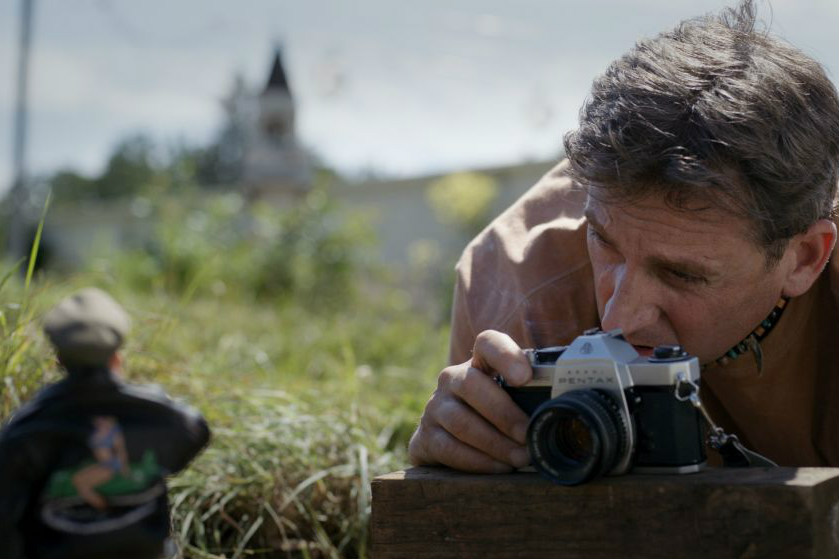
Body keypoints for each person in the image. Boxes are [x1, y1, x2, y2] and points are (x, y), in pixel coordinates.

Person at [409, 0, 839, 474]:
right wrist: (445, 475)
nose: (619, 318)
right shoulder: (517, 287)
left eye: (681, 274)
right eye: (603, 242)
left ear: (804, 257)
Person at [0, 288, 211, 559]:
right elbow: (197, 433)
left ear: (59, 360)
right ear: (117, 357)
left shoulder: (30, 426)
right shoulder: (161, 415)